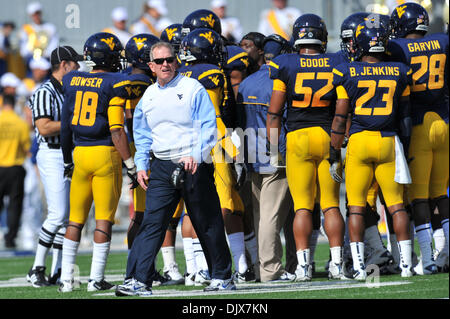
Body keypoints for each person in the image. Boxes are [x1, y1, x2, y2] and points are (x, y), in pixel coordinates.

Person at [115, 41, 234, 296]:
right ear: (151, 66)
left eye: (169, 59)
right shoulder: (148, 95)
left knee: (206, 221)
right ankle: (139, 280)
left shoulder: (192, 88)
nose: (165, 64)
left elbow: (208, 125)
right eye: (159, 62)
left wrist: (197, 154)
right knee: (152, 223)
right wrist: (142, 165)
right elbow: (142, 133)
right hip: (161, 165)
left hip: (193, 163)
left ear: (176, 61)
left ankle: (222, 276)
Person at [331, 20, 414, 279]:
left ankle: (358, 267)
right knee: (396, 206)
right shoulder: (399, 70)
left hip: (360, 141)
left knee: (355, 206)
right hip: (389, 141)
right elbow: (406, 118)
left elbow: (340, 118)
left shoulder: (348, 71)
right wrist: (406, 149)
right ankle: (407, 266)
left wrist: (334, 154)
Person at [267, 14, 347, 281]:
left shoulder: (285, 63)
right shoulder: (337, 61)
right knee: (331, 205)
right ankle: (337, 263)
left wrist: (273, 147)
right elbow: (342, 110)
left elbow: (275, 113)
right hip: (327, 136)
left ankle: (303, 266)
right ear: (322, 37)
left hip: (298, 139)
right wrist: (339, 141)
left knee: (302, 206)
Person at [58, 32, 138, 293]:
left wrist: (67, 158)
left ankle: (66, 281)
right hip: (105, 153)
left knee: (75, 220)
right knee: (103, 220)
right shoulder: (115, 81)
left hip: (79, 153)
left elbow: (67, 126)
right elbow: (118, 128)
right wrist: (131, 164)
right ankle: (95, 279)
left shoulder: (71, 80)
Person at [178, 29, 253, 284]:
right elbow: (215, 119)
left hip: (181, 146)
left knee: (192, 208)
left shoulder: (177, 74)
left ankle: (196, 269)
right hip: (210, 145)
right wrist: (236, 152)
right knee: (227, 203)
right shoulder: (211, 73)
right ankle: (240, 266)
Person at [387, 2, 449, 275]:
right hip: (444, 122)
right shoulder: (442, 41)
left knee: (420, 198)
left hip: (419, 126)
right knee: (441, 195)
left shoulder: (398, 48)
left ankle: (428, 258)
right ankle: (445, 251)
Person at [123, 33, 185, 286]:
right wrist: (135, 163)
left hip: (142, 151)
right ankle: (143, 271)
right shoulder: (145, 87)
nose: (164, 64)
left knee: (149, 217)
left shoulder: (139, 83)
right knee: (148, 217)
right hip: (147, 152)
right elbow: (131, 123)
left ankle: (142, 270)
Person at [237, 33, 296, 282]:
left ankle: (268, 267)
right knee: (271, 216)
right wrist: (279, 151)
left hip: (250, 153)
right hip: (274, 153)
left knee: (262, 215)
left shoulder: (247, 82)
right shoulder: (280, 80)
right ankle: (270, 269)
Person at [25, 46, 82, 288]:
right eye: (75, 63)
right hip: (52, 153)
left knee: (67, 216)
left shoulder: (68, 89)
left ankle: (58, 269)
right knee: (57, 213)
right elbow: (44, 127)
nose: (78, 68)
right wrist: (73, 122)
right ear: (65, 65)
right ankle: (36, 267)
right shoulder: (45, 92)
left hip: (68, 152)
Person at [0, 94, 31, 249]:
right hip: (15, 167)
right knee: (14, 205)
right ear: (13, 105)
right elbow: (27, 148)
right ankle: (10, 238)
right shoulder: (20, 124)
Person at [19, 2, 58, 73]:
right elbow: (23, 49)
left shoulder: (50, 27)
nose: (36, 16)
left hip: (46, 60)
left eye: (38, 13)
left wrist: (43, 54)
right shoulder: (26, 29)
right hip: (31, 61)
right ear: (30, 15)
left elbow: (54, 45)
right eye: (34, 14)